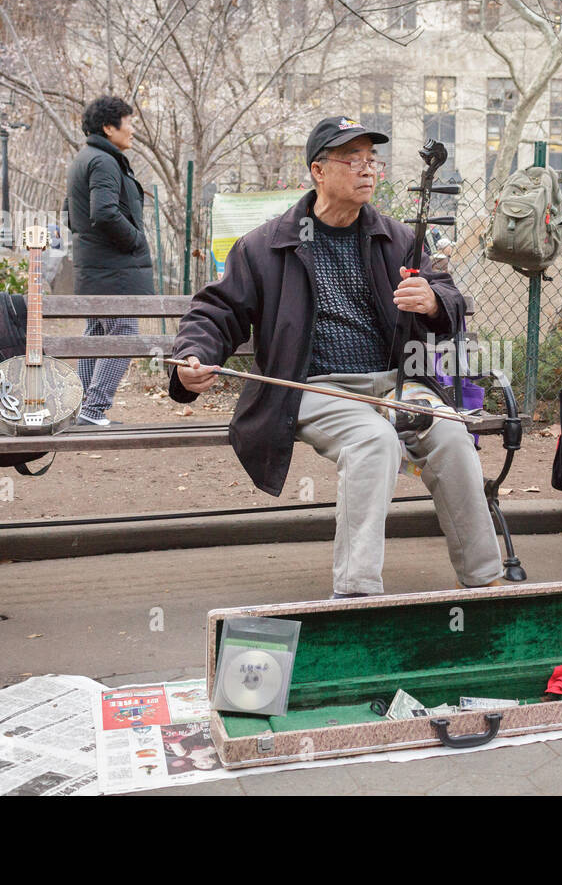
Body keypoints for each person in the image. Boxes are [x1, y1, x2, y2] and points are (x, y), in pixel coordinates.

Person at [169, 116, 503, 598]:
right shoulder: (266, 246)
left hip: (395, 385)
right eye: (353, 160)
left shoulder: (396, 238)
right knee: (374, 442)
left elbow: (448, 294)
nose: (367, 170)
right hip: (314, 388)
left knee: (451, 433)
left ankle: (482, 578)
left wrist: (432, 299)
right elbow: (217, 310)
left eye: (373, 161)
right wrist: (193, 356)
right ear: (319, 171)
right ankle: (357, 591)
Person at [66, 95, 152, 426]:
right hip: (114, 270)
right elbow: (103, 212)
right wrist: (136, 240)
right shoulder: (103, 161)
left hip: (95, 268)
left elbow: (70, 213)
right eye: (128, 122)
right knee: (124, 332)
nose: (132, 130)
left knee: (98, 332)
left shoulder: (84, 159)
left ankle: (83, 408)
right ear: (108, 127)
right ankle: (94, 408)